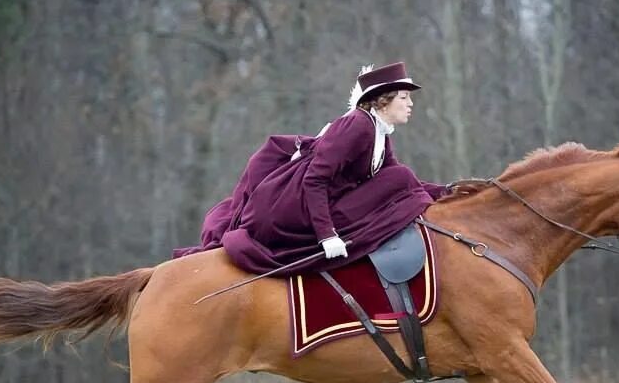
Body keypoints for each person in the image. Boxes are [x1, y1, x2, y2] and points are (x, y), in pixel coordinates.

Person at [172, 61, 448, 274]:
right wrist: (327, 236)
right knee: (400, 177)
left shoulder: (379, 133)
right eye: (404, 97)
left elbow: (402, 180)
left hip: (327, 205)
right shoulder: (357, 125)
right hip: (294, 209)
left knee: (399, 176)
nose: (411, 104)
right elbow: (315, 179)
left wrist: (448, 191)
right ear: (383, 100)